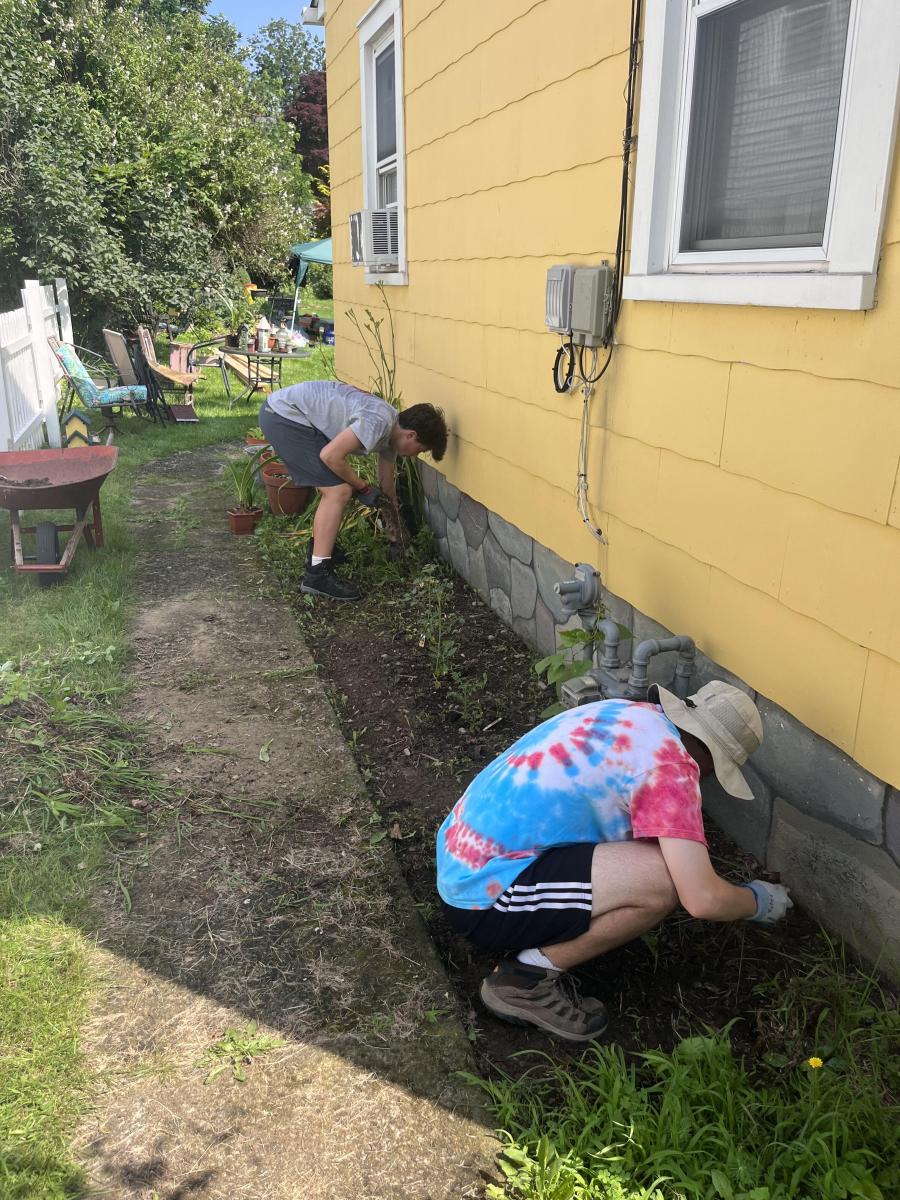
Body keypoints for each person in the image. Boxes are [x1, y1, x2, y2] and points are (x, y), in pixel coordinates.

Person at [436, 680, 792, 1043]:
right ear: (713, 760)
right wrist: (756, 901)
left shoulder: (628, 715)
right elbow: (702, 899)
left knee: (658, 863)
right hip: (484, 900)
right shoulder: (670, 768)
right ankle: (523, 980)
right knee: (663, 882)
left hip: (462, 859)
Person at [258, 380, 448, 601]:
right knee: (338, 491)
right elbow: (330, 456)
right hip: (284, 416)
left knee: (338, 488)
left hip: (292, 416)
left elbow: (387, 487)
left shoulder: (390, 429)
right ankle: (317, 575)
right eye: (420, 450)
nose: (416, 455)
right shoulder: (378, 422)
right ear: (411, 435)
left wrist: (396, 531)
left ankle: (320, 550)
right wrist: (362, 487)